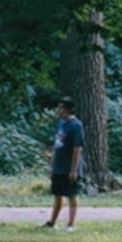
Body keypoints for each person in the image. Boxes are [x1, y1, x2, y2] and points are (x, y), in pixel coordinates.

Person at [45, 96, 85, 226]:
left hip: (69, 167)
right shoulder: (61, 123)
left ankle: (71, 223)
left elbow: (77, 148)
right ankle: (52, 222)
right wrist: (52, 166)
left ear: (68, 109)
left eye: (61, 107)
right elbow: (56, 145)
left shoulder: (76, 125)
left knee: (71, 194)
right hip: (58, 165)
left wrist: (74, 170)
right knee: (58, 194)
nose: (58, 110)